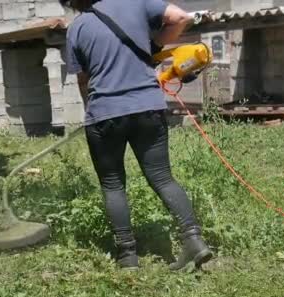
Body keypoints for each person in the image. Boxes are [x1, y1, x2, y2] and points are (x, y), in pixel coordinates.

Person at [60, 0, 216, 271]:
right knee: (163, 177)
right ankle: (193, 239)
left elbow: (83, 79)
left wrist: (92, 111)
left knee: (112, 184)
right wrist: (154, 47)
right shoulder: (136, 2)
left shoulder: (77, 28)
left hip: (105, 113)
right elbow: (180, 17)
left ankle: (128, 256)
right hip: (148, 108)